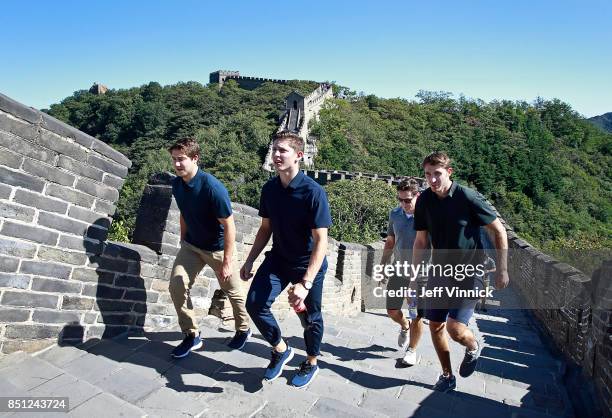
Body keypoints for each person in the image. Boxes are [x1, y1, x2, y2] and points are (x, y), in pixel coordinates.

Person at [241, 130, 331, 388]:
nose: (276, 155)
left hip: (307, 264)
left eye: (283, 150)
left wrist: (306, 283)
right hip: (279, 259)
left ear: (299, 155)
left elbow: (321, 241)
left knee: (311, 317)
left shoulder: (313, 192)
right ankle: (281, 349)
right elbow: (265, 228)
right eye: (274, 149)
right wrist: (249, 261)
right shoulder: (269, 189)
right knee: (255, 304)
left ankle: (311, 362)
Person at [412, 152, 509, 392]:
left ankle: (473, 346)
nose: (432, 180)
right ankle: (447, 375)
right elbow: (421, 241)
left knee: (455, 329)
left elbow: (498, 230)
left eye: (437, 174)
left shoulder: (467, 197)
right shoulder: (424, 200)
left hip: (470, 271)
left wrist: (503, 268)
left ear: (449, 172)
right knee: (435, 325)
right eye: (427, 175)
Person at [167, 137, 251, 358]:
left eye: (181, 159)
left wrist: (226, 261)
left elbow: (229, 225)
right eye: (174, 159)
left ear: (195, 159)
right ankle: (191, 335)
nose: (176, 164)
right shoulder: (177, 184)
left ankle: (243, 329)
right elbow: (184, 213)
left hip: (218, 248)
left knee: (233, 290)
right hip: (192, 246)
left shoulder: (213, 188)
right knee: (177, 285)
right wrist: (183, 239)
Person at [379, 178, 429, 366]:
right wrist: (383, 264)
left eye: (407, 200)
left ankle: (412, 350)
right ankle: (404, 325)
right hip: (399, 269)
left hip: (422, 274)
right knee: (392, 310)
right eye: (400, 199)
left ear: (418, 195)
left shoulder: (428, 217)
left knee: (416, 314)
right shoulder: (395, 214)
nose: (403, 204)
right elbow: (390, 241)